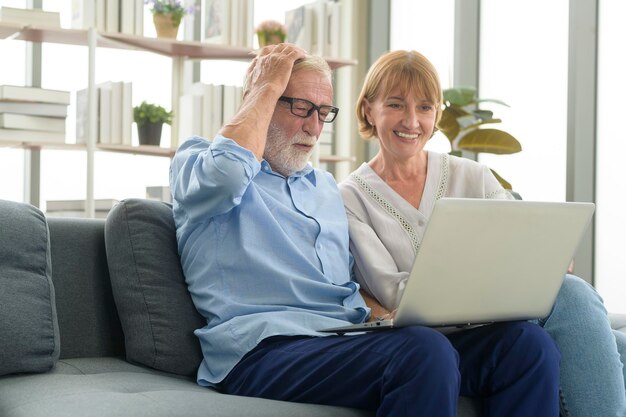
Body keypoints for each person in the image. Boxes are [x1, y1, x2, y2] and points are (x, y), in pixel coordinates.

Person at [169, 43, 561, 417]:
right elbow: (228, 172)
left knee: (525, 346)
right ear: (262, 101)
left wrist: (382, 314)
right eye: (301, 107)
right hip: (261, 348)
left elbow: (350, 285)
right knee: (423, 351)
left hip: (342, 339)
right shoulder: (199, 162)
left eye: (323, 112)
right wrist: (266, 85)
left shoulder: (323, 187)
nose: (313, 126)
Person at [339, 49, 626, 417]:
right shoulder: (350, 197)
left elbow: (522, 238)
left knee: (580, 300)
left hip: (504, 320)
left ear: (437, 114)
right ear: (368, 109)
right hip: (436, 342)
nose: (412, 121)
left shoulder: (470, 174)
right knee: (591, 317)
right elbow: (395, 294)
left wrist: (544, 257)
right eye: (396, 105)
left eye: (426, 108)